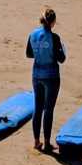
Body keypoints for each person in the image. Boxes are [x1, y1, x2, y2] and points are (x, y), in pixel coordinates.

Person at [26, 9, 66, 152]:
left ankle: (36, 141)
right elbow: (61, 58)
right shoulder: (54, 37)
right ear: (53, 22)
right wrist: (62, 51)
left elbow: (29, 54)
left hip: (37, 75)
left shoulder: (33, 34)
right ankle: (47, 142)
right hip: (51, 76)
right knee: (48, 110)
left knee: (38, 108)